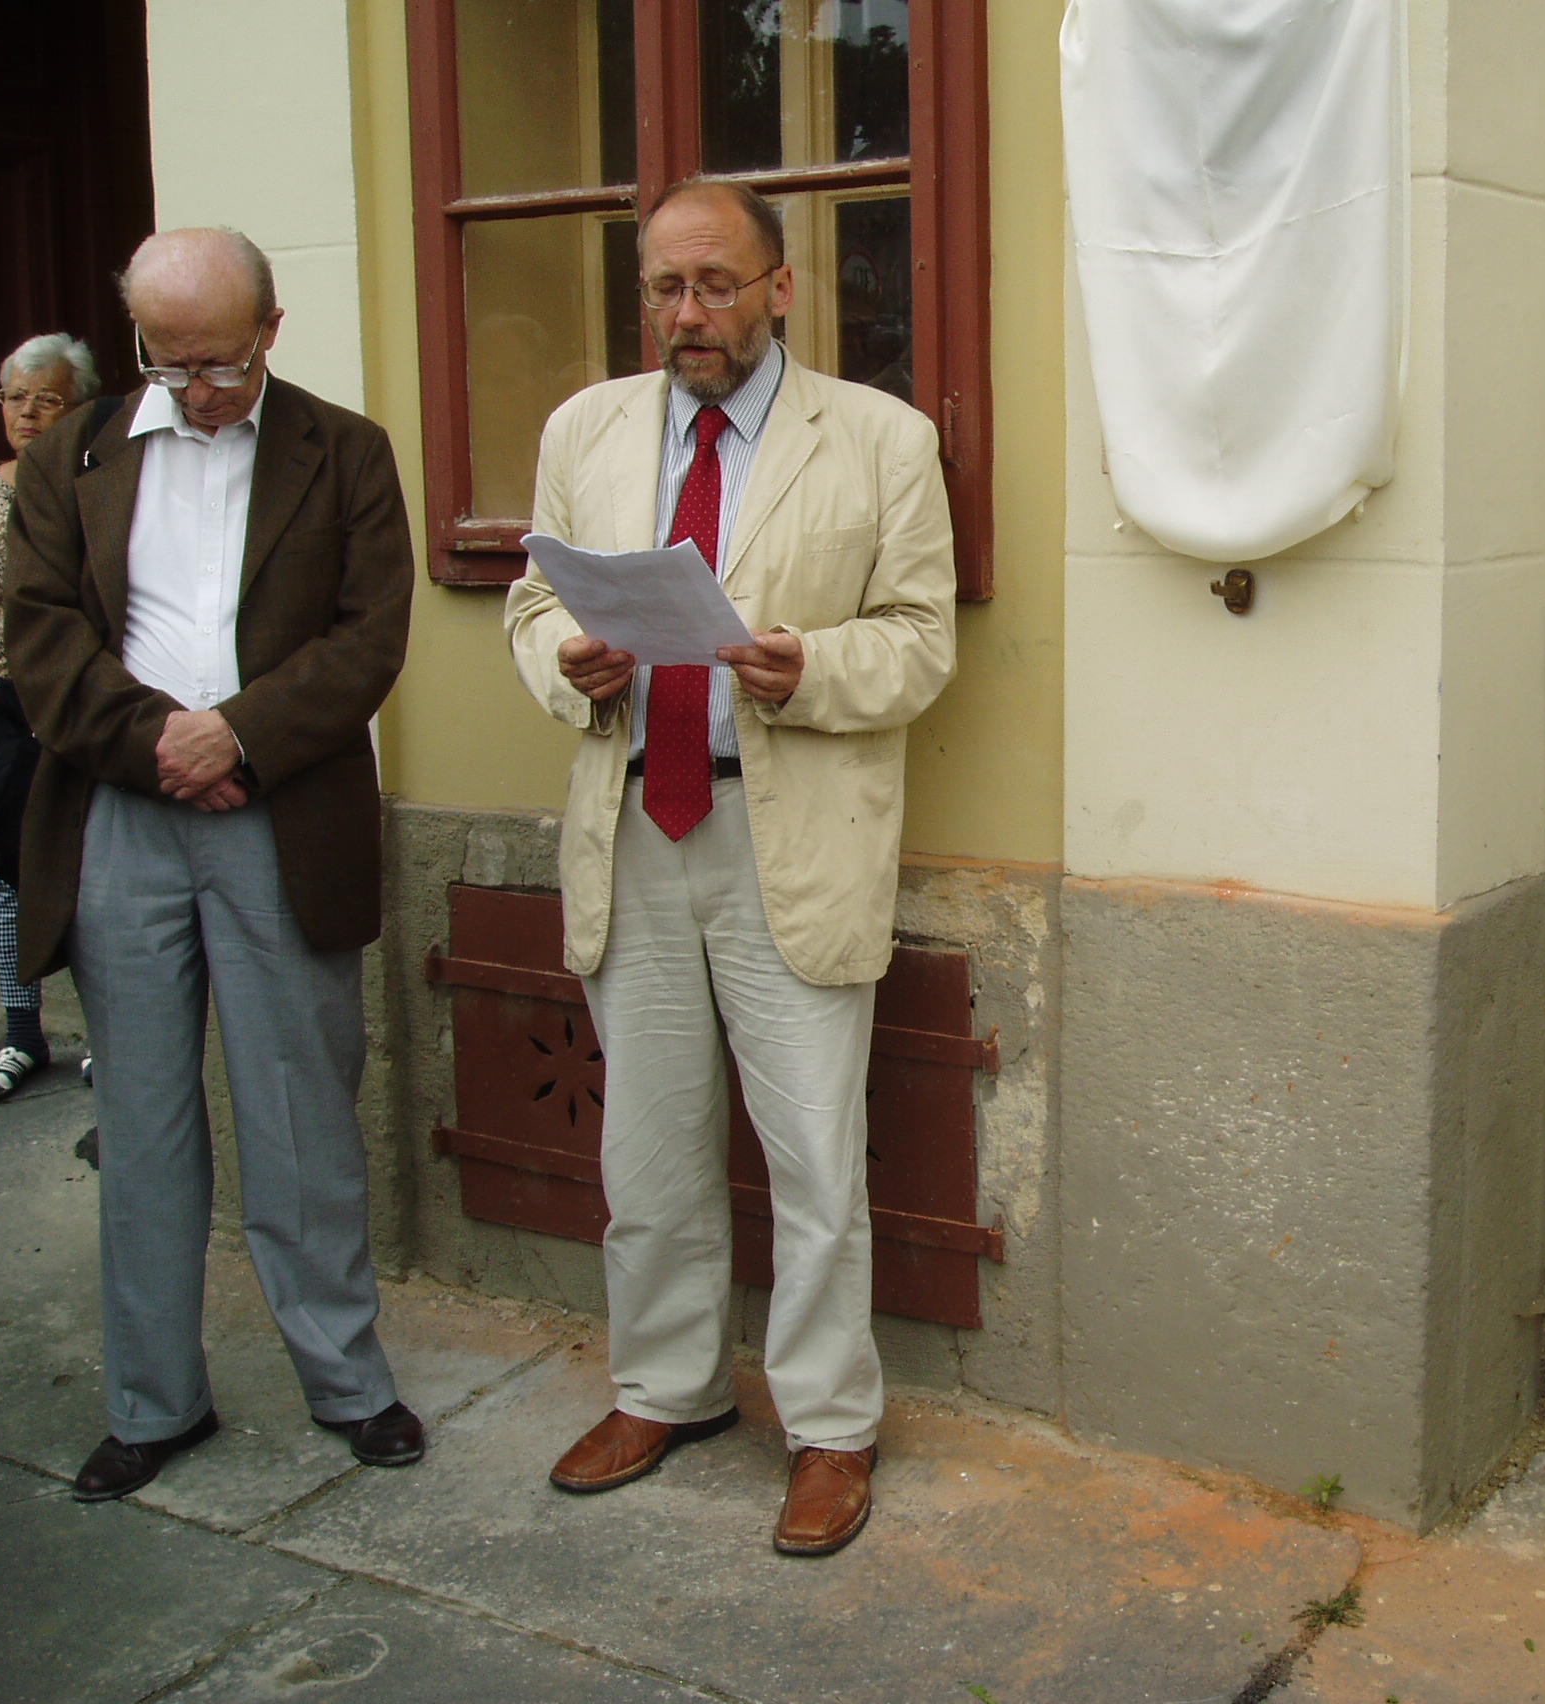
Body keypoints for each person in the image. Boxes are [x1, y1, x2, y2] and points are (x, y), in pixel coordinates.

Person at [504, 177, 956, 1556]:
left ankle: (829, 1427)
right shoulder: (586, 429)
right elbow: (532, 598)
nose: (687, 313)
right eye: (664, 288)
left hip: (788, 829)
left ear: (780, 288)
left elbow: (922, 641)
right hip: (636, 815)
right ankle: (666, 1389)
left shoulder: (880, 439)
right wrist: (566, 661)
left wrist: (807, 665)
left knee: (814, 1156)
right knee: (645, 1147)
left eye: (714, 284)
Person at [6, 227, 424, 1501]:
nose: (195, 389)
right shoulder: (67, 458)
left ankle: (347, 1381)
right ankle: (154, 1402)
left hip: (278, 814)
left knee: (301, 1113)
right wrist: (162, 746)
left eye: (221, 364)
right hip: (120, 818)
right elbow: (42, 639)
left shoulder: (343, 450)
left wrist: (236, 734)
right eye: (167, 361)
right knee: (140, 1123)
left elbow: (369, 638)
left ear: (272, 330)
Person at [0, 333, 102, 1102]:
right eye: (17, 397)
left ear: (78, 408)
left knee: (77, 868)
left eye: (48, 399)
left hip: (66, 700)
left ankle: (104, 1035)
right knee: (5, 872)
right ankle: (22, 1037)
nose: (29, 413)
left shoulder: (94, 486)